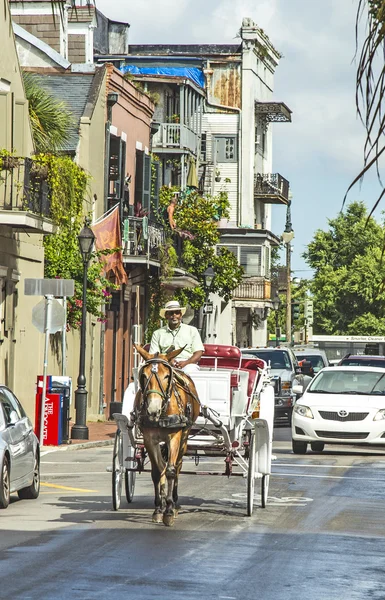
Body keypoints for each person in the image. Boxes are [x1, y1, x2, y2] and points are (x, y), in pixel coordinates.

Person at [149, 300, 204, 374]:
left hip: (188, 365)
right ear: (166, 316)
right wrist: (168, 360)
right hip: (164, 364)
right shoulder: (157, 333)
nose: (174, 315)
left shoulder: (192, 330)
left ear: (180, 315)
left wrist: (186, 362)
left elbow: (198, 353)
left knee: (190, 372)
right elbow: (154, 355)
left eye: (177, 313)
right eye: (171, 313)